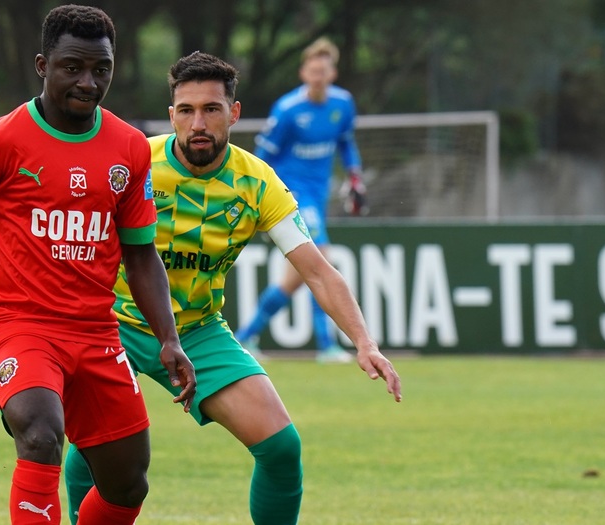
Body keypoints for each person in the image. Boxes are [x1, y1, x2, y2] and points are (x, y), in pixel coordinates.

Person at [0, 5, 197, 525]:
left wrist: (168, 337)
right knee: (40, 433)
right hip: (18, 324)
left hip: (97, 330)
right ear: (42, 65)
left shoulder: (128, 148)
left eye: (102, 69)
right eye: (72, 67)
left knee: (127, 482)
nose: (89, 82)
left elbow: (141, 252)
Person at [63, 51, 401, 525]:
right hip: (111, 322)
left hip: (198, 330)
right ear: (172, 116)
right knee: (97, 449)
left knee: (281, 447)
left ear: (234, 114)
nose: (197, 122)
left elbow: (318, 270)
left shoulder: (258, 181)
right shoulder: (135, 160)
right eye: (186, 110)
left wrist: (364, 342)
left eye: (211, 109)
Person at [234, 37, 367, 363]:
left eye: (324, 70)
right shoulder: (288, 110)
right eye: (313, 70)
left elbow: (347, 143)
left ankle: (245, 335)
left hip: (318, 195)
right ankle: (327, 346)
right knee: (321, 257)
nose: (318, 76)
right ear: (303, 72)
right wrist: (259, 198)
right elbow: (263, 156)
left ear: (332, 73)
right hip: (292, 195)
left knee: (295, 278)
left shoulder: (342, 104)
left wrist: (355, 177)